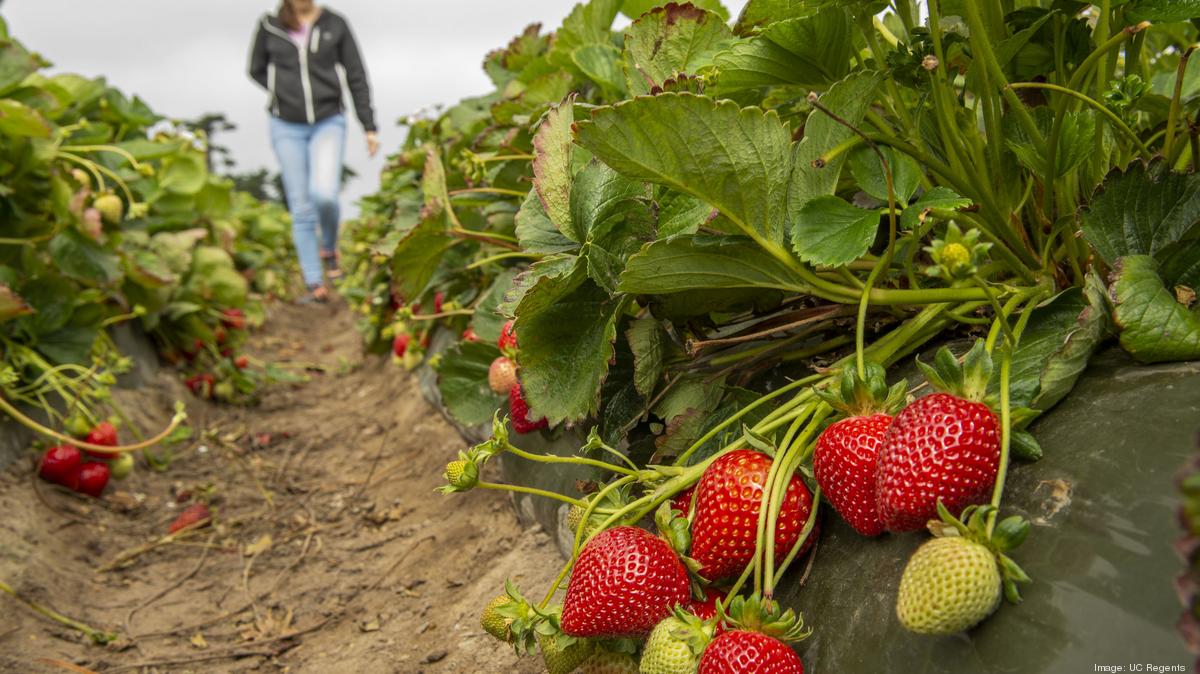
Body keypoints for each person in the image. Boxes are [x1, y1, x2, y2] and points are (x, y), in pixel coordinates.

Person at [248, 1, 379, 303]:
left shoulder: (335, 24)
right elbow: (255, 69)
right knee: (302, 207)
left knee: (324, 193)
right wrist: (282, 89)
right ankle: (314, 282)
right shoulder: (270, 25)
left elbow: (356, 75)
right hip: (285, 125)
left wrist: (368, 125)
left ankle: (329, 247)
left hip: (328, 120)